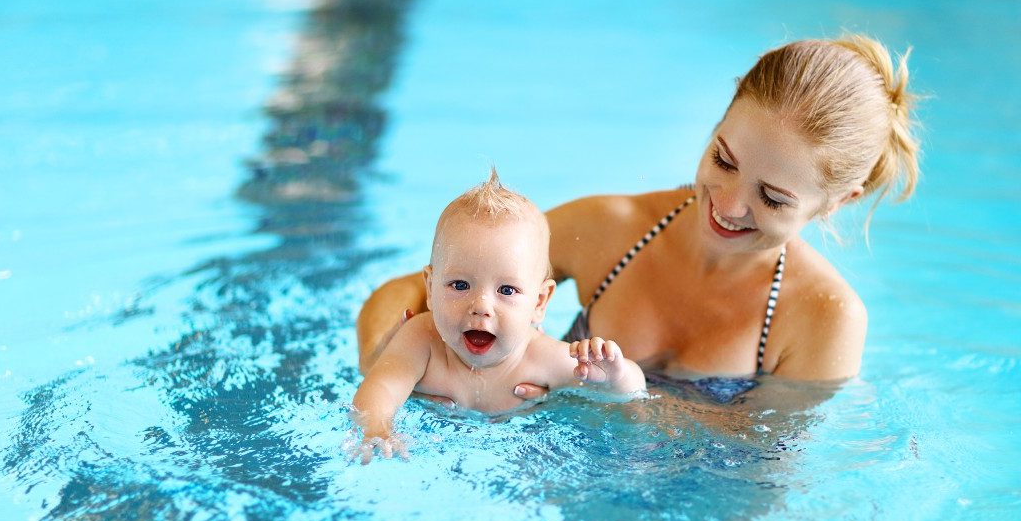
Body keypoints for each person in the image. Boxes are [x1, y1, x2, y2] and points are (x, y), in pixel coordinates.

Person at [357, 34, 921, 396]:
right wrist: (392, 370)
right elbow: (408, 292)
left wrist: (610, 400)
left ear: (838, 201)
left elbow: (764, 476)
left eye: (773, 198)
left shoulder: (823, 318)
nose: (727, 205)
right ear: (720, 120)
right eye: (723, 160)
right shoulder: (612, 229)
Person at [352, 171, 646, 460]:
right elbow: (380, 389)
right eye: (460, 285)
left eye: (506, 290)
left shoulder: (541, 358)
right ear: (430, 288)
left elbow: (633, 392)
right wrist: (377, 428)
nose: (481, 306)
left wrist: (615, 378)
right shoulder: (422, 340)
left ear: (539, 302)